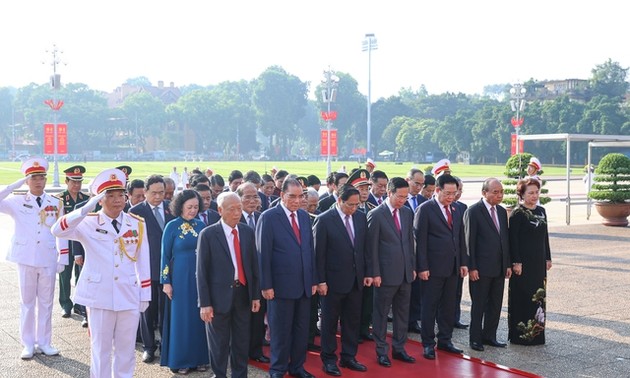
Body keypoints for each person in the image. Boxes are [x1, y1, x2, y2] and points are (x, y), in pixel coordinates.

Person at [51, 168, 151, 377]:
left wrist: (145, 293)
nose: (117, 200)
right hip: (99, 295)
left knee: (126, 350)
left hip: (128, 293)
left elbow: (143, 260)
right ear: (100, 199)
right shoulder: (88, 222)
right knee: (101, 350)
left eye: (120, 195)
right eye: (110, 196)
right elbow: (57, 230)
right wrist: (85, 209)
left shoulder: (137, 223)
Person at [1, 157, 67, 359]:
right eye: (34, 178)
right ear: (27, 180)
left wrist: (63, 258)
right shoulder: (17, 201)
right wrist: (16, 184)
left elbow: (62, 230)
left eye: (41, 178)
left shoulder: (55, 202)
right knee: (27, 302)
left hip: (48, 257)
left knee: (46, 303)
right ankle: (28, 343)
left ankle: (45, 342)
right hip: (26, 257)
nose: (39, 181)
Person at [257, 178, 318, 378]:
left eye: (301, 196)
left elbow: (309, 251)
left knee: (301, 331)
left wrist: (313, 280)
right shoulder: (269, 217)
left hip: (304, 285)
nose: (297, 200)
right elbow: (262, 254)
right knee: (281, 332)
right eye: (292, 196)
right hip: (280, 287)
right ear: (282, 195)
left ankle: (297, 367)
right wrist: (266, 285)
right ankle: (277, 369)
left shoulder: (304, 216)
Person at [197, 192, 261, 378]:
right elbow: (201, 272)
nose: (237, 213)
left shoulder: (248, 232)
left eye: (239, 208)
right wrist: (205, 303)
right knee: (219, 343)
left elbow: (253, 267)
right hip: (218, 298)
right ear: (220, 210)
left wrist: (255, 295)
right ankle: (219, 374)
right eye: (231, 209)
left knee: (242, 341)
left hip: (243, 294)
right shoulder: (208, 235)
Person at [315, 184, 371, 376]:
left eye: (357, 204)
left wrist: (367, 273)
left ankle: (349, 356)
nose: (354, 208)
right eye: (350, 205)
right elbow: (318, 254)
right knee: (329, 324)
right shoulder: (324, 220)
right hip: (332, 283)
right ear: (339, 201)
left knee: (352, 322)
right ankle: (329, 359)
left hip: (356, 281)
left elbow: (365, 249)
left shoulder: (361, 218)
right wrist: (320, 280)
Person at [415, 174, 468, 360]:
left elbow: (460, 238)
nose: (451, 197)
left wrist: (463, 262)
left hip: (452, 267)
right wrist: (422, 267)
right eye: (447, 193)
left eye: (454, 193)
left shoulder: (456, 209)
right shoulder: (425, 209)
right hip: (432, 268)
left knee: (448, 305)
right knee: (429, 306)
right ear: (437, 190)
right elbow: (420, 241)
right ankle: (428, 343)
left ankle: (445, 340)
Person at [367, 177, 417, 367]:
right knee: (380, 315)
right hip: (385, 275)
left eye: (406, 197)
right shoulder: (376, 214)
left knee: (402, 313)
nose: (403, 200)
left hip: (405, 273)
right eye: (400, 196)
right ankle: (381, 351)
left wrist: (412, 267)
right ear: (389, 193)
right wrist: (375, 273)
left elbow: (409, 242)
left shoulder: (406, 212)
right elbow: (371, 249)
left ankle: (399, 348)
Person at [160, 190, 209, 373]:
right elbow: (164, 256)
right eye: (189, 207)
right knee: (181, 319)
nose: (193, 211)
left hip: (199, 278)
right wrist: (166, 282)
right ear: (180, 206)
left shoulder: (201, 224)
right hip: (179, 279)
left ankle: (200, 358)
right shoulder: (171, 227)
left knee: (199, 317)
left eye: (196, 207)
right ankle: (181, 360)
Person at [129, 175, 175, 363]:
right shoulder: (135, 212)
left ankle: (166, 343)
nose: (158, 197)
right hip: (146, 268)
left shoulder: (171, 208)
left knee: (166, 310)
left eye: (161, 193)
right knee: (147, 309)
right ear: (145, 192)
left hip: (168, 269)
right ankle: (149, 346)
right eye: (154, 193)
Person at [463, 178, 511, 352]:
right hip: (481, 269)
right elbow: (470, 242)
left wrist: (507, 264)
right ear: (484, 193)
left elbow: (504, 239)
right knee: (479, 305)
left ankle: (489, 335)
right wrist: (472, 267)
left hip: (498, 267)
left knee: (495, 304)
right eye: (495, 192)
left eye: (501, 192)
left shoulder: (501, 211)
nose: (499, 195)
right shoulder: (473, 211)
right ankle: (475, 339)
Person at [508, 178, 552, 345]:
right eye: (530, 193)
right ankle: (521, 335)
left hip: (538, 263)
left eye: (536, 192)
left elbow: (545, 237)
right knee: (524, 297)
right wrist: (516, 262)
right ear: (522, 194)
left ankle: (537, 335)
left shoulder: (541, 211)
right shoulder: (517, 213)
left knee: (538, 298)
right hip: (523, 264)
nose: (534, 196)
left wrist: (548, 257)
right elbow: (513, 240)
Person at [56, 165, 89, 321]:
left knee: (81, 274)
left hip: (80, 243)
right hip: (64, 242)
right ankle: (65, 304)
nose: (77, 185)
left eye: (79, 182)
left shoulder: (85, 199)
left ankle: (80, 305)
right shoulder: (60, 200)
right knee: (65, 274)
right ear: (66, 181)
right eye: (73, 182)